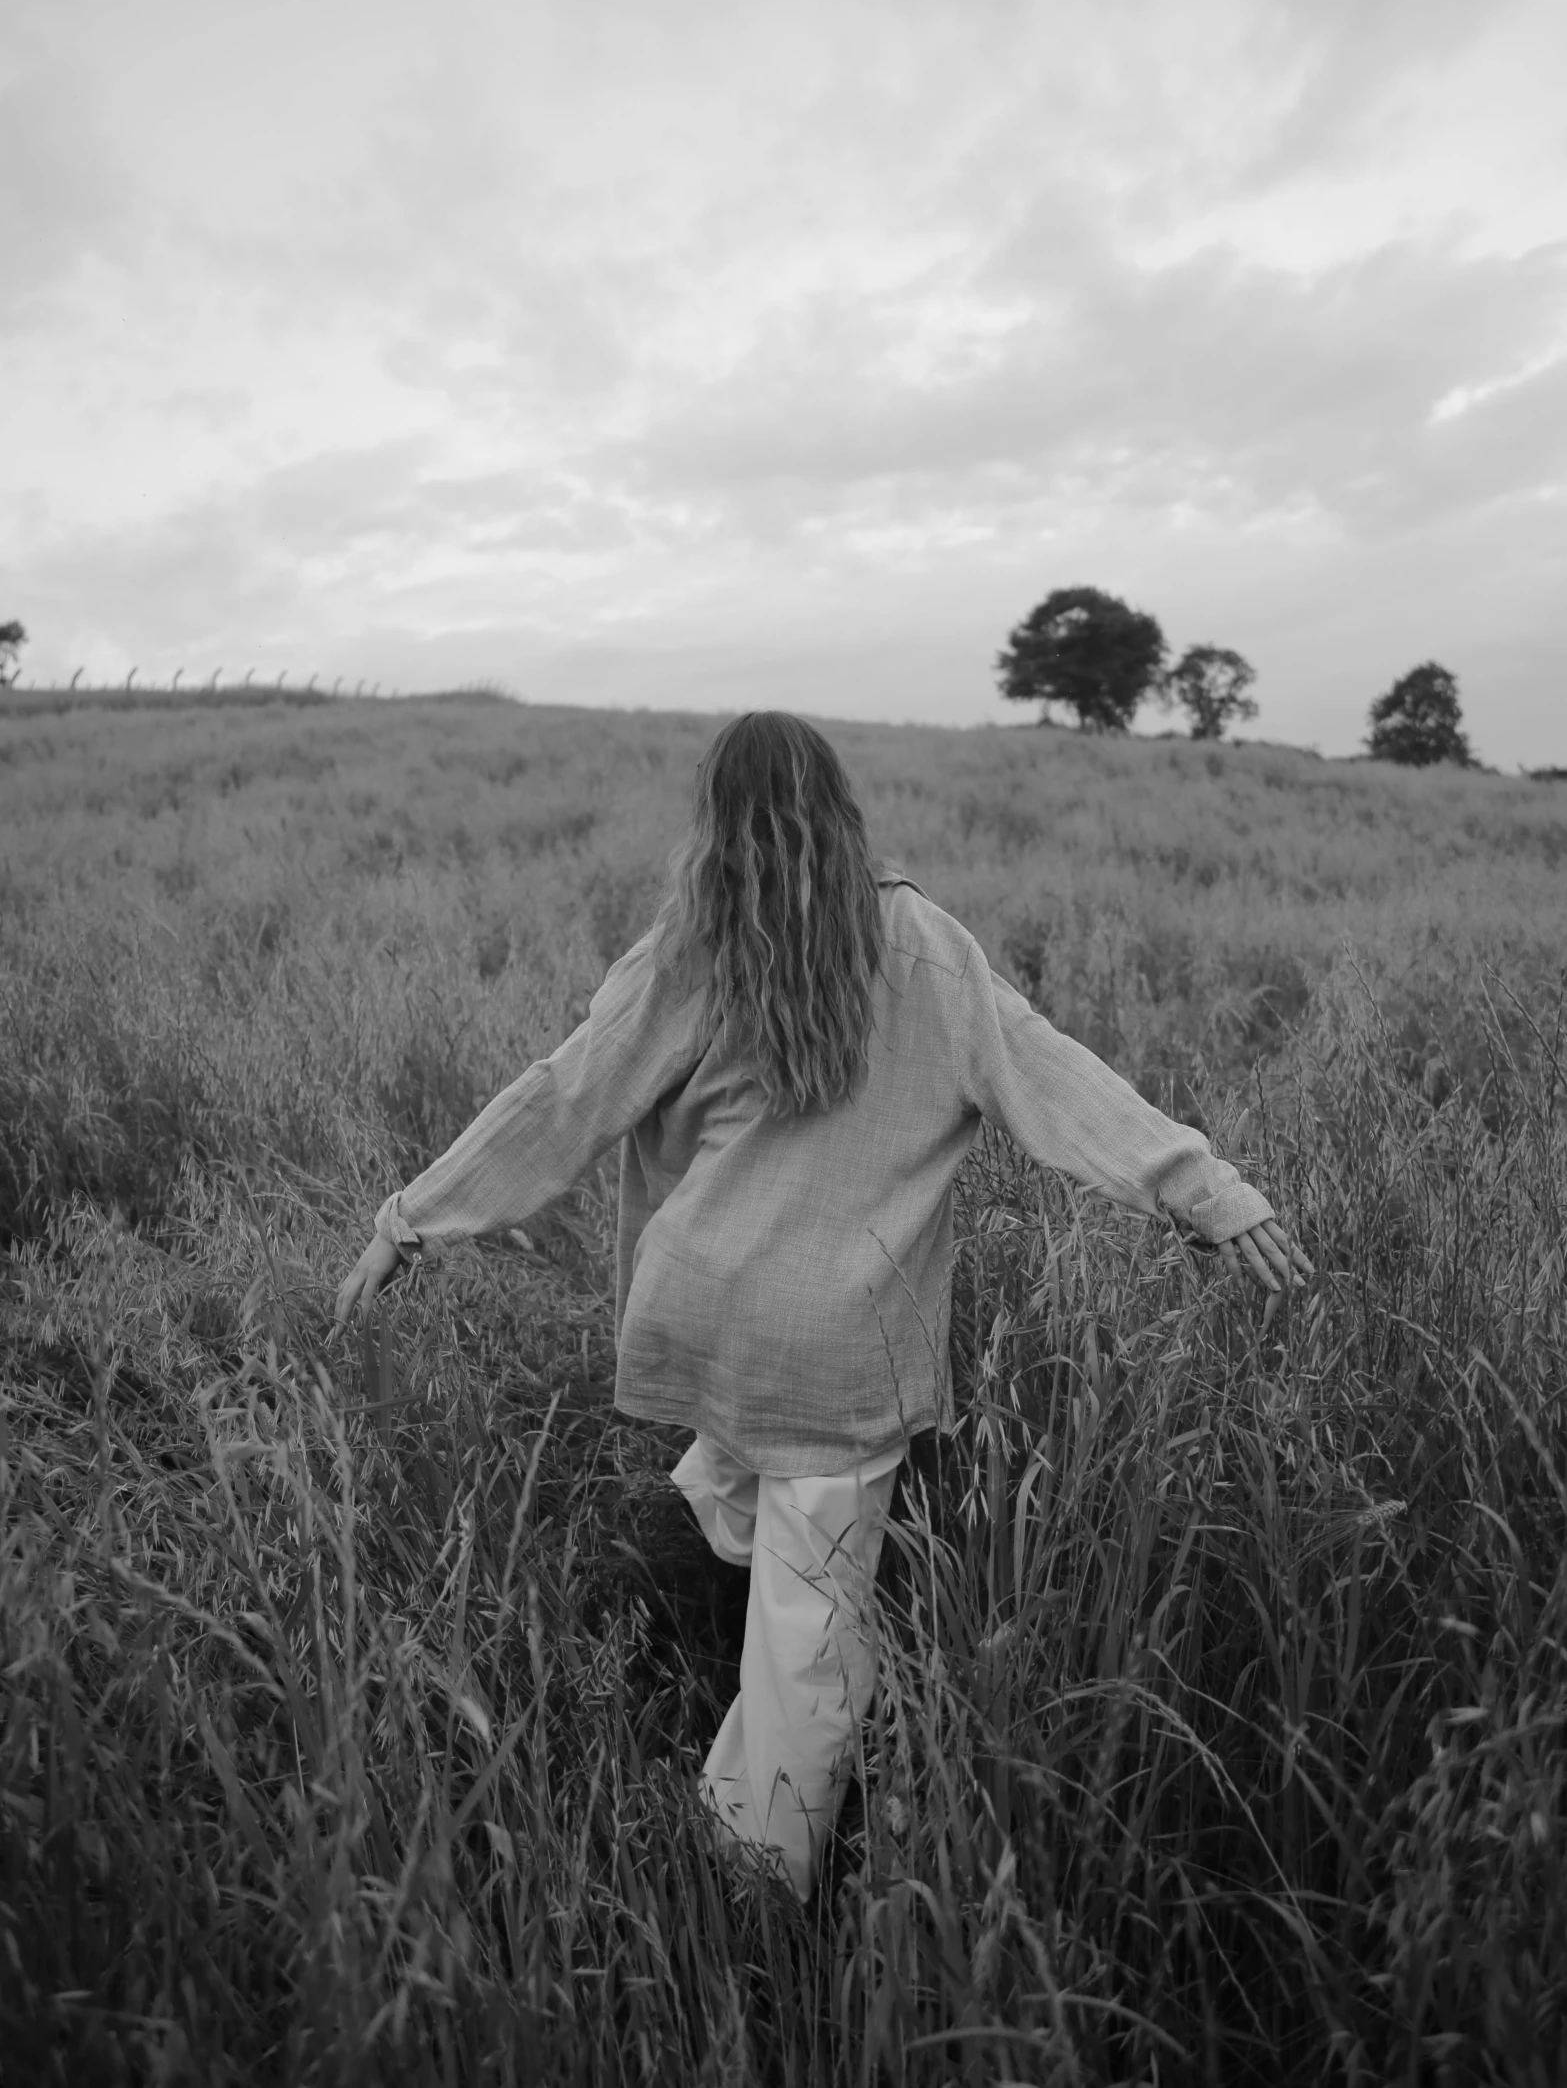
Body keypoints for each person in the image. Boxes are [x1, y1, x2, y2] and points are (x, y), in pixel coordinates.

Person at [336, 711, 1310, 1900]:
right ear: (843, 807)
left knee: (754, 1511)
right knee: (813, 1633)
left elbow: (560, 1101)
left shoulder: (688, 948)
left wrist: (410, 1220)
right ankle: (752, 1886)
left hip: (703, 1308)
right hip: (839, 1342)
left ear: (717, 826)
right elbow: (1058, 1076)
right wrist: (1205, 1191)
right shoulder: (924, 949)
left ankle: (727, 1747)